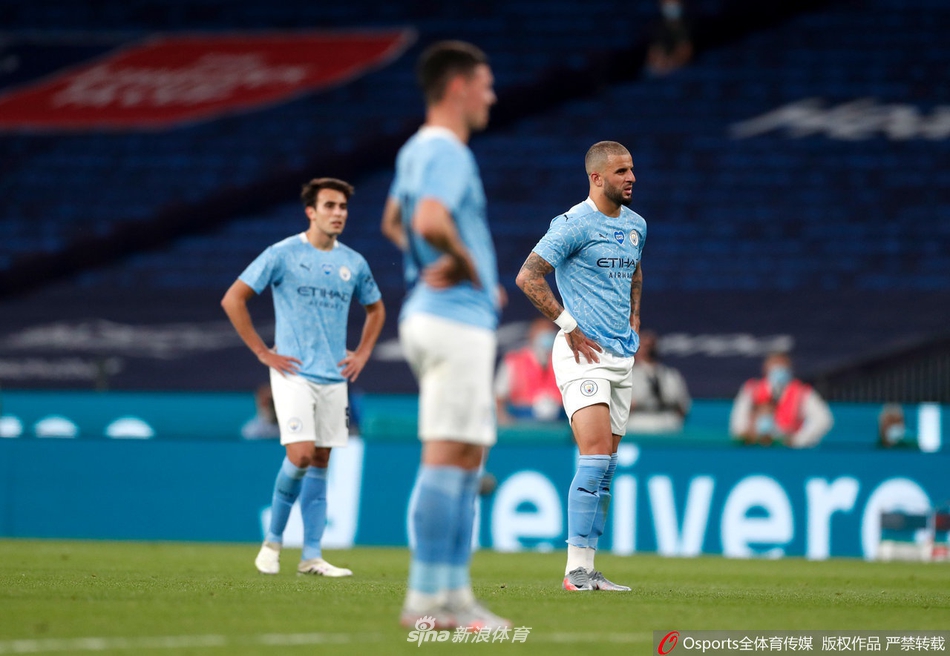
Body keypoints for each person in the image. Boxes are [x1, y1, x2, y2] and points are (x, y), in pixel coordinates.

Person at [380, 40, 510, 630]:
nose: (492, 95)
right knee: (448, 456)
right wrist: (467, 267)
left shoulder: (414, 150)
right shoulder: (448, 151)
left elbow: (394, 221)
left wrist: (453, 267)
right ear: (457, 87)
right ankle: (429, 601)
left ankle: (450, 597)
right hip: (452, 319)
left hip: (441, 313)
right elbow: (430, 219)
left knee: (463, 456)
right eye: (484, 84)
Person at [221, 177, 385, 577]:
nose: (338, 213)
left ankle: (311, 556)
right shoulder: (282, 254)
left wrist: (362, 352)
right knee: (301, 454)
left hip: (333, 377)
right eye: (330, 206)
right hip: (293, 373)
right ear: (311, 212)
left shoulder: (354, 263)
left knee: (322, 460)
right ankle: (273, 542)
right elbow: (233, 298)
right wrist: (263, 352)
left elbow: (376, 309)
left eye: (343, 207)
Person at [515, 140, 646, 593]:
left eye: (631, 170)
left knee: (605, 466)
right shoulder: (572, 224)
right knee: (593, 460)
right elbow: (528, 275)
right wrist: (568, 324)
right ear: (596, 177)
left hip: (619, 357)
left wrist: (635, 315)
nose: (631, 177)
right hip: (581, 354)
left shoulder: (636, 225)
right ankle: (573, 571)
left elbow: (635, 270)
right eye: (621, 171)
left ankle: (589, 569)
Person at [729, 352, 833, 448]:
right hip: (754, 446)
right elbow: (739, 417)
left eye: (782, 366)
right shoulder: (752, 389)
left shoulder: (802, 392)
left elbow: (823, 420)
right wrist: (742, 435)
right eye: (774, 365)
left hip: (787, 449)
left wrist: (799, 440)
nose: (778, 369)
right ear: (765, 368)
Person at [494, 317, 562, 425]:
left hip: (558, 423)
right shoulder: (514, 360)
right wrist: (503, 420)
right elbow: (498, 396)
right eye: (542, 331)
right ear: (532, 334)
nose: (546, 335)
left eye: (549, 331)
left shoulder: (562, 360)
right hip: (523, 421)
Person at [627, 330, 691, 434]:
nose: (648, 350)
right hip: (638, 422)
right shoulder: (627, 375)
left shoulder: (670, 374)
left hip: (668, 422)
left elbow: (683, 406)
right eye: (644, 346)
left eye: (651, 346)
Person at [645, 0, 694, 76]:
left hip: (680, 71)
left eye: (673, 3)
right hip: (657, 70)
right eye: (667, 3)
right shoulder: (655, 26)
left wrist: (672, 63)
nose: (671, 6)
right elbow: (653, 51)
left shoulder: (689, 25)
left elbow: (686, 50)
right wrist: (659, 63)